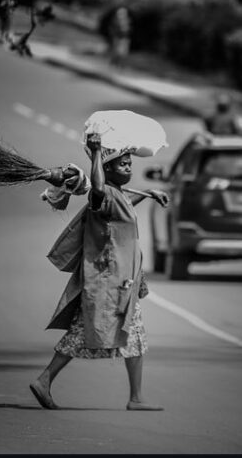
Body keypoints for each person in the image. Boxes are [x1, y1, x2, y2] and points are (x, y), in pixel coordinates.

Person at [30, 132, 169, 411]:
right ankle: (45, 380)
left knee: (130, 335)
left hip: (121, 282)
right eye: (122, 164)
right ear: (107, 169)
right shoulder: (102, 194)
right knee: (86, 334)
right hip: (108, 284)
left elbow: (120, 208)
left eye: (129, 163)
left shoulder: (118, 196)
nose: (128, 167)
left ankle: (135, 397)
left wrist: (149, 195)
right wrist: (95, 154)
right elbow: (98, 193)